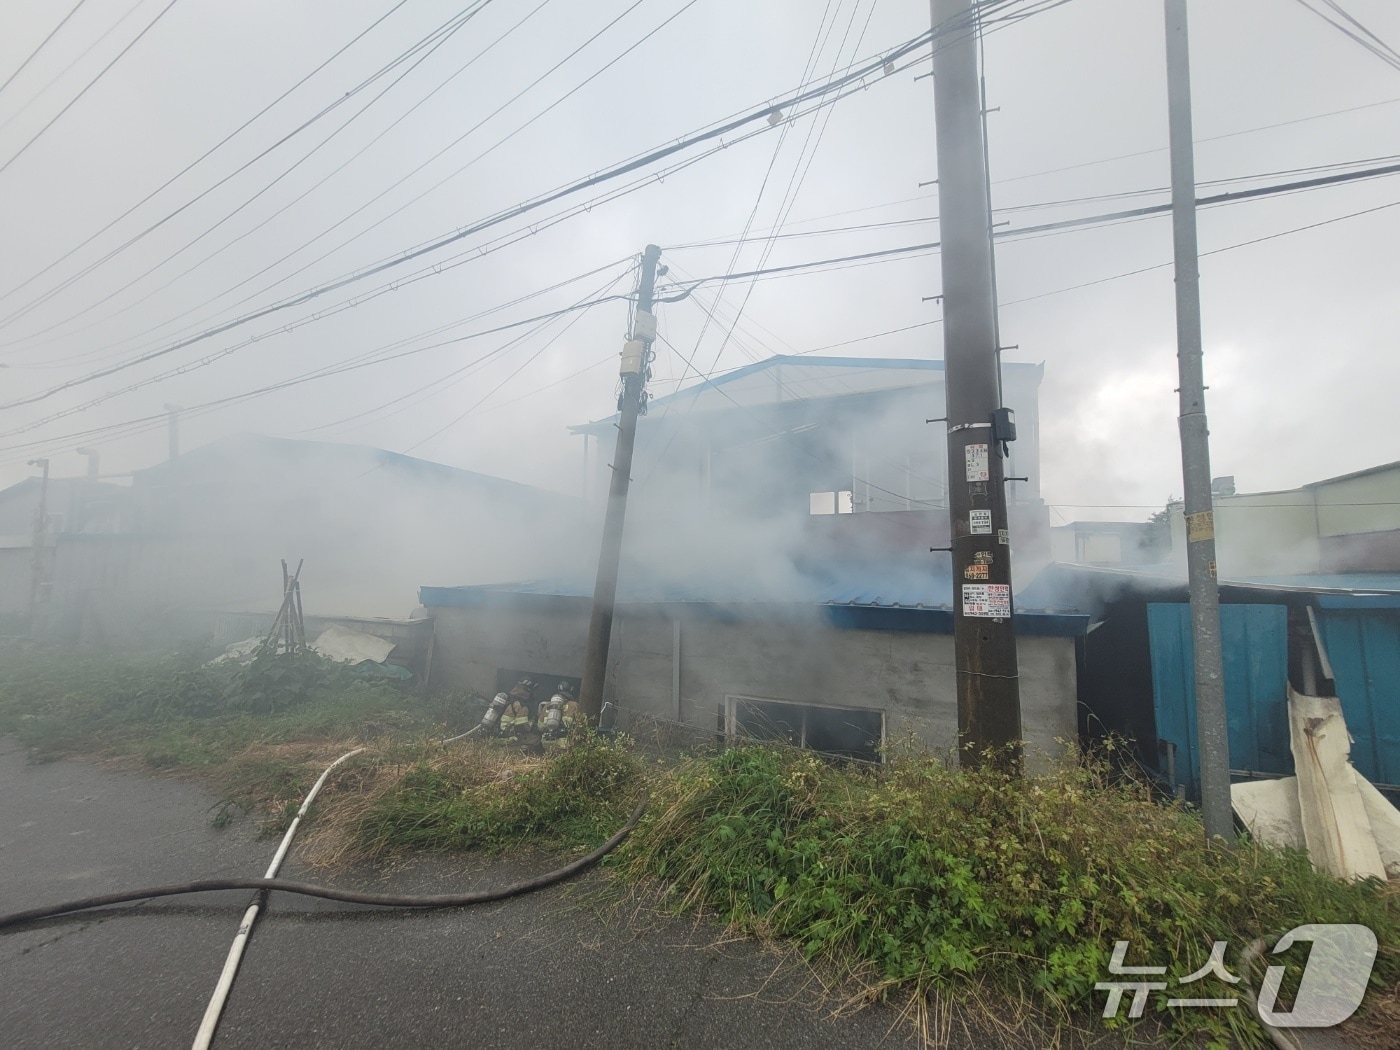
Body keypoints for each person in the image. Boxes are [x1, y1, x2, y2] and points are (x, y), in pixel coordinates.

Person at [538, 681, 581, 748]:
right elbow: (580, 726)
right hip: (565, 743)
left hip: (547, 742)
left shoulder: (547, 705)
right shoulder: (574, 705)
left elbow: (540, 727)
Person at [498, 678, 537, 745]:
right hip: (508, 737)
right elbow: (520, 728)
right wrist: (533, 726)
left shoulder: (508, 698)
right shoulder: (522, 706)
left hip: (498, 733)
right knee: (536, 739)